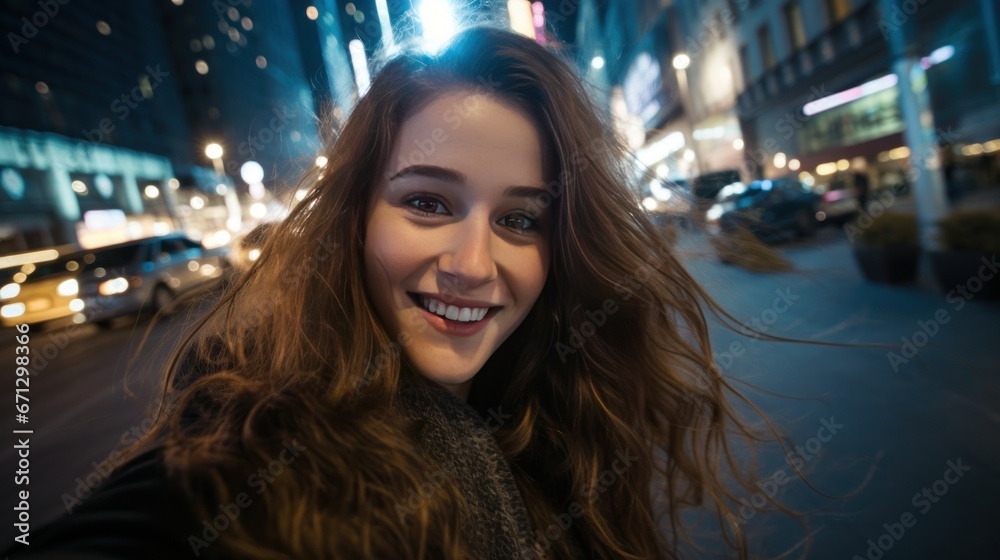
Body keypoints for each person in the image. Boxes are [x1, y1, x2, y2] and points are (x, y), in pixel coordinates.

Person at [8, 27, 789, 559]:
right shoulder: (245, 458)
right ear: (352, 219)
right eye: (427, 203)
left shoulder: (556, 414)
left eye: (520, 218)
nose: (472, 264)